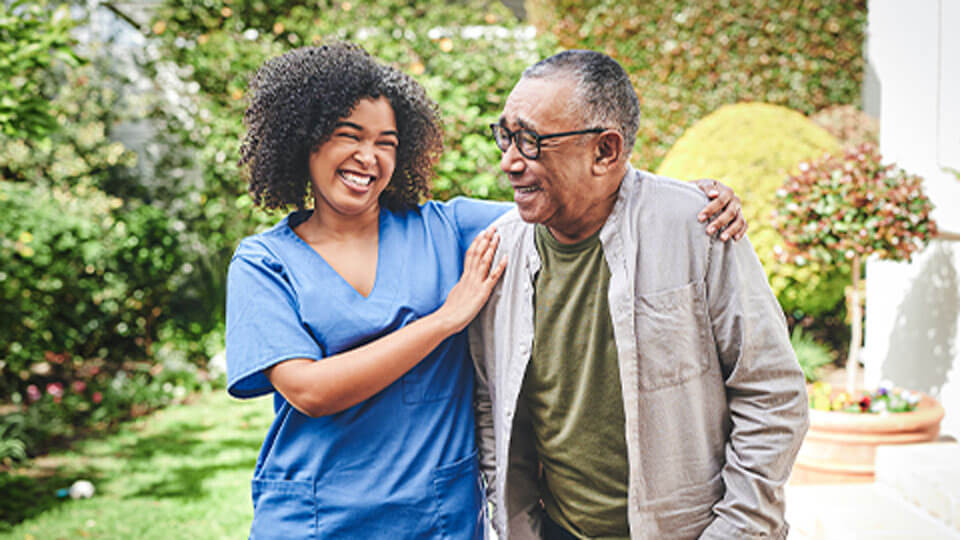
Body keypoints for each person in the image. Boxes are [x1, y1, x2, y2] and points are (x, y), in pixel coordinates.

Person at [225, 43, 746, 539]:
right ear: (304, 139)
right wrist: (445, 319)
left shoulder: (448, 229)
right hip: (316, 521)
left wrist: (691, 197)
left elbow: (578, 198)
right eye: (349, 135)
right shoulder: (264, 263)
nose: (370, 156)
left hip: (436, 519)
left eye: (386, 142)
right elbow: (309, 391)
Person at [470, 50, 810, 540]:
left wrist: (738, 529)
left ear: (605, 152)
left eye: (530, 141)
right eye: (505, 135)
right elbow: (491, 401)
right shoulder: (498, 250)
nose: (509, 161)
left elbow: (772, 395)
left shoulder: (699, 227)